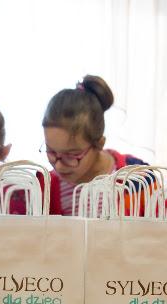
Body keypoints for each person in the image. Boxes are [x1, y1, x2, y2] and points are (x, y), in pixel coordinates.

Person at [41, 75, 149, 215]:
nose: (59, 166)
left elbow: (165, 227)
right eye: (51, 151)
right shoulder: (45, 188)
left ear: (99, 144)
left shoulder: (139, 178)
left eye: (71, 155)